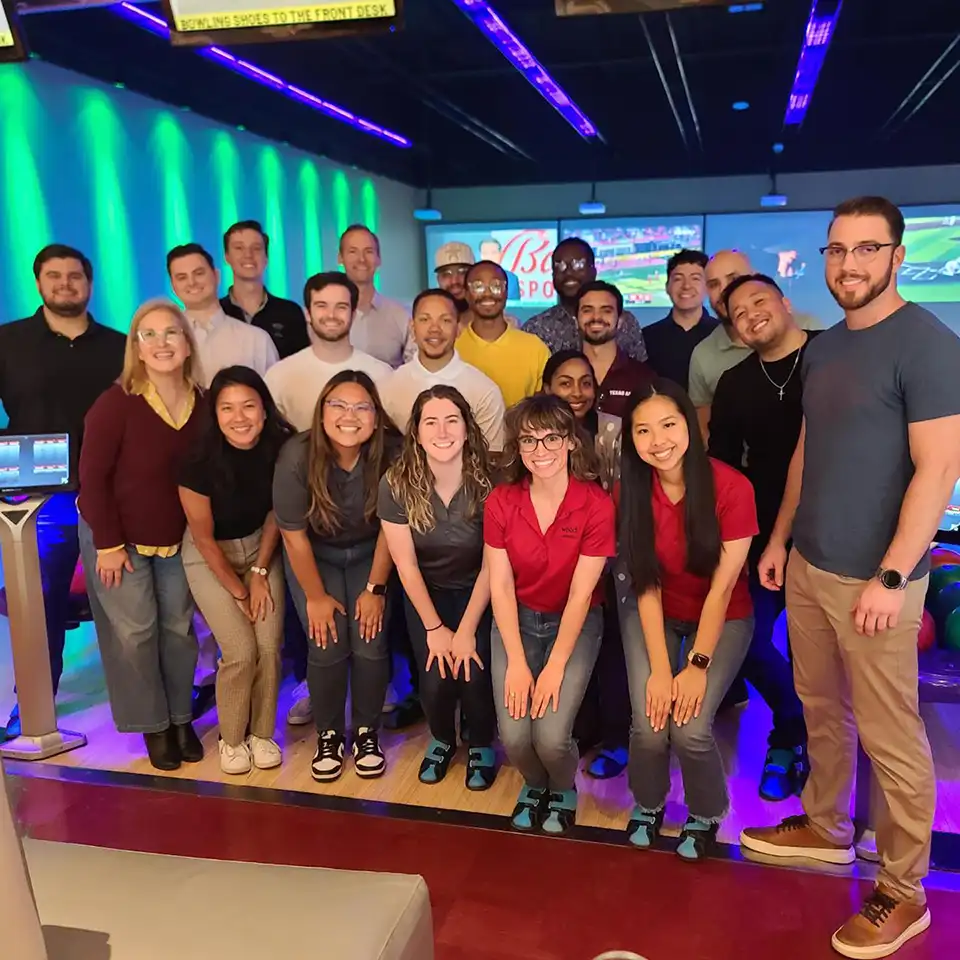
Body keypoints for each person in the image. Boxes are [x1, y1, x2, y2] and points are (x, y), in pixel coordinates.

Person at [741, 197, 960, 959]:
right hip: (810, 566)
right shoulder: (828, 346)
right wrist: (781, 540)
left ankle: (904, 892)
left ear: (898, 257)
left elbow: (938, 472)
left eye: (868, 250)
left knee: (894, 737)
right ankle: (830, 828)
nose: (850, 265)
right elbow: (810, 451)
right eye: (837, 250)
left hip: (879, 583)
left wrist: (893, 577)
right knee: (820, 706)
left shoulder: (928, 345)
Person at [617, 378, 757, 860]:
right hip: (657, 609)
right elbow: (645, 584)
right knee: (649, 720)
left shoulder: (733, 488)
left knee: (691, 728)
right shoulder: (630, 490)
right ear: (630, 439)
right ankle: (649, 802)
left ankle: (706, 810)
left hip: (722, 616)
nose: (658, 441)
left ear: (690, 427)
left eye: (669, 425)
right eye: (643, 431)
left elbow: (722, 590)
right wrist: (660, 669)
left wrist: (695, 666)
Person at [0, 244, 125, 740]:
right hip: (36, 499)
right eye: (55, 276)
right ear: (38, 283)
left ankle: (142, 709)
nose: (66, 284)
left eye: (75, 276)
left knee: (127, 603)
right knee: (40, 603)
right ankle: (30, 710)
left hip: (113, 493)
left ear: (89, 284)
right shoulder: (7, 342)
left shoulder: (121, 346)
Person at [77, 299, 204, 771]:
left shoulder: (204, 401)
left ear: (187, 342)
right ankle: (152, 725)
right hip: (117, 540)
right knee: (134, 634)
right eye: (148, 335)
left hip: (177, 539)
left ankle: (180, 717)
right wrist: (107, 543)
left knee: (177, 631)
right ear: (136, 348)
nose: (161, 343)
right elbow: (90, 479)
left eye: (170, 333)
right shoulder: (116, 403)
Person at [484, 395, 615, 835]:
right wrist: (518, 664)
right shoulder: (501, 501)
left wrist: (556, 665)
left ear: (571, 443)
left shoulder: (596, 504)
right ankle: (534, 784)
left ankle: (562, 786)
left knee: (553, 736)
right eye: (528, 441)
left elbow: (582, 594)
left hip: (573, 624)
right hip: (515, 620)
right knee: (516, 736)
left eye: (550, 438)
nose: (540, 450)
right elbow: (499, 585)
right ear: (517, 448)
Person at [707, 274, 812, 801]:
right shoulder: (734, 382)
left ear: (786, 302)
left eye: (759, 301)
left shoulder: (829, 357)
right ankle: (794, 726)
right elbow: (722, 467)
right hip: (759, 531)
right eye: (737, 312)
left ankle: (806, 747)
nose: (750, 314)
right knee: (745, 641)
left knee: (815, 655)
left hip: (830, 529)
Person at [274, 370, 396, 782]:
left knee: (370, 642)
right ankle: (328, 734)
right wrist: (317, 598)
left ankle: (366, 732)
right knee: (326, 643)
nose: (350, 415)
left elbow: (390, 530)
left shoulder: (391, 453)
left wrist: (375, 589)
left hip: (371, 554)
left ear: (376, 417)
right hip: (316, 557)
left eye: (362, 407)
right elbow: (293, 537)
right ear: (322, 412)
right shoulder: (297, 454)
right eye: (338, 405)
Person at [378, 385, 498, 790]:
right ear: (416, 431)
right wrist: (435, 629)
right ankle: (443, 738)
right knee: (435, 675)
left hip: (480, 591)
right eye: (431, 421)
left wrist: (465, 631)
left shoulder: (491, 481)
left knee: (475, 670)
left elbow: (491, 565)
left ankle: (481, 742)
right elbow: (405, 564)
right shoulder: (395, 484)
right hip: (425, 593)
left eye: (452, 420)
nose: (442, 430)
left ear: (467, 429)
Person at [179, 366, 295, 774]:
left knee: (268, 645)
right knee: (241, 650)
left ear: (264, 409)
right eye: (227, 408)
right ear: (215, 414)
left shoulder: (282, 446)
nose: (239, 417)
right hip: (209, 555)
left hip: (263, 549)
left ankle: (262, 734)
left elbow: (276, 515)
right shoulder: (197, 461)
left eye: (249, 405)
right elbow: (205, 540)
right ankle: (232, 740)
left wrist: (260, 573)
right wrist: (241, 591)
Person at [541, 350, 632, 781]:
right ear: (546, 389)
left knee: (612, 648)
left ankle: (617, 736)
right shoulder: (535, 439)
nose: (576, 392)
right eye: (565, 382)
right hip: (556, 561)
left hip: (607, 559)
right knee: (569, 644)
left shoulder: (609, 436)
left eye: (584, 383)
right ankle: (582, 726)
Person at [379, 288, 506, 452]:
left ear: (458, 329)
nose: (434, 329)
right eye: (425, 319)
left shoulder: (484, 391)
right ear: (412, 327)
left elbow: (492, 458)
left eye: (445, 320)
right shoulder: (387, 388)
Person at [264, 271, 392, 432]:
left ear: (353, 314)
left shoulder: (381, 374)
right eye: (321, 306)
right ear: (308, 314)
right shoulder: (279, 375)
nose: (331, 315)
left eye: (341, 307)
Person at [167, 243, 278, 388]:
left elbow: (273, 398)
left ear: (216, 276)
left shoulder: (256, 340)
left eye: (199, 273)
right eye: (182, 278)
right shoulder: (164, 343)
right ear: (173, 286)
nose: (192, 282)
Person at [524, 237, 647, 361]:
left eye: (578, 265)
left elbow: (641, 374)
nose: (568, 273)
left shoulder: (625, 322)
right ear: (552, 275)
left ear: (593, 271)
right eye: (560, 266)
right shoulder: (536, 328)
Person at [455, 261, 550, 407]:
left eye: (496, 286)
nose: (487, 294)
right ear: (466, 295)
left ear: (506, 292)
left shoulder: (535, 348)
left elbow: (545, 409)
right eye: (478, 287)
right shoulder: (454, 349)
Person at [220, 219, 311, 359]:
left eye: (256, 248)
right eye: (239, 248)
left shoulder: (290, 312)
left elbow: (302, 365)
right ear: (227, 257)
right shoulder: (218, 312)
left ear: (266, 257)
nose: (248, 255)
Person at [688, 250, 753, 439]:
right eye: (714, 284)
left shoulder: (803, 328)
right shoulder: (703, 354)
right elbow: (704, 431)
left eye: (733, 278)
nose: (724, 290)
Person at [338, 224, 413, 368]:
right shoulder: (325, 317)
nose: (361, 259)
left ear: (379, 259)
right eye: (353, 251)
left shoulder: (402, 315)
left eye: (369, 251)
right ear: (340, 258)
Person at [642, 250, 716, 390]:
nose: (686, 286)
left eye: (695, 278)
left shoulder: (721, 334)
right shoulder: (646, 337)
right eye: (678, 278)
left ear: (707, 287)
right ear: (667, 287)